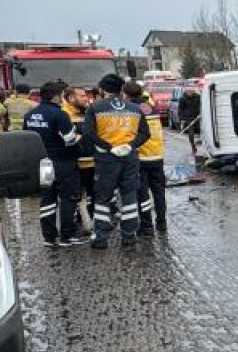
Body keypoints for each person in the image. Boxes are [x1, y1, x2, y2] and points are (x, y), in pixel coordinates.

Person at [82, 74, 149, 249]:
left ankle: (101, 238)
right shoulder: (135, 108)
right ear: (121, 90)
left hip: (106, 159)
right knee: (129, 195)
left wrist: (109, 146)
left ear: (103, 89)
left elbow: (88, 133)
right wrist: (129, 145)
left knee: (103, 197)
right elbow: (145, 134)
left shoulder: (95, 108)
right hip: (129, 158)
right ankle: (129, 236)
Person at [23, 82, 87, 247]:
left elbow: (27, 139)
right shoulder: (60, 115)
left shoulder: (30, 115)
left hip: (43, 164)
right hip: (62, 163)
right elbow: (70, 140)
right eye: (61, 95)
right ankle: (67, 236)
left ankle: (49, 237)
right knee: (68, 198)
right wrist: (80, 151)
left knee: (47, 199)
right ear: (56, 96)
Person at [123, 82, 167, 234]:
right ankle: (162, 223)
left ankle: (146, 225)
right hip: (157, 155)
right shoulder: (151, 107)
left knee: (143, 194)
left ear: (126, 95)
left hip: (141, 157)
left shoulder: (131, 110)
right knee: (159, 192)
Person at [62, 85, 95, 235]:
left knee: (93, 193)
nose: (85, 98)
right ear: (71, 98)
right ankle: (78, 223)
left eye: (85, 95)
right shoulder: (64, 114)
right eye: (81, 96)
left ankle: (90, 221)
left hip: (91, 161)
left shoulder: (88, 111)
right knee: (75, 195)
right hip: (74, 163)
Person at [177, 86, 201, 154]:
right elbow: (180, 109)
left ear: (193, 91)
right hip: (188, 118)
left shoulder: (198, 97)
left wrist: (200, 113)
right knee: (191, 134)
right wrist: (182, 119)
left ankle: (202, 142)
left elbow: (201, 106)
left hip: (198, 117)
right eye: (188, 91)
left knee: (202, 131)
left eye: (191, 91)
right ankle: (193, 147)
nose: (189, 92)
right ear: (186, 91)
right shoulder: (182, 99)